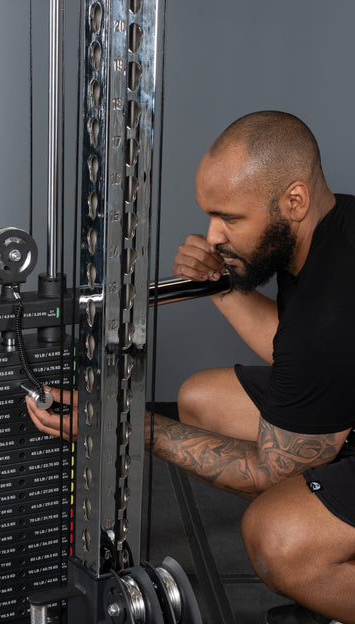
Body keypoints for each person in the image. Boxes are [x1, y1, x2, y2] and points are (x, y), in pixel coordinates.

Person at [26, 111, 355, 624]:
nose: (213, 235)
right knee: (201, 400)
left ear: (294, 200)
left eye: (230, 218)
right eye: (210, 216)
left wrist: (125, 426)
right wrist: (224, 286)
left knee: (276, 538)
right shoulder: (332, 231)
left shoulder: (331, 308)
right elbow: (300, 353)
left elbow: (271, 469)